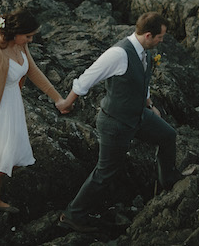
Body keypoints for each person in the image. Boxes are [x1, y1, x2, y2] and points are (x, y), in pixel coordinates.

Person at [55, 12, 183, 232]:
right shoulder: (118, 54)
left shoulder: (144, 52)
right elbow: (87, 77)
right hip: (115, 123)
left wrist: (150, 106)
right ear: (149, 35)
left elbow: (142, 82)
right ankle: (72, 215)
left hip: (139, 115)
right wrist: (67, 102)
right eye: (160, 37)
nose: (162, 41)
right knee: (105, 172)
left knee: (168, 135)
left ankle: (168, 181)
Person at [0, 9, 69, 213]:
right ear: (15, 32)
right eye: (28, 35)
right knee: (14, 157)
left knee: (4, 155)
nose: (31, 39)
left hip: (14, 105)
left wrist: (58, 99)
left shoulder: (20, 45)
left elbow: (33, 71)